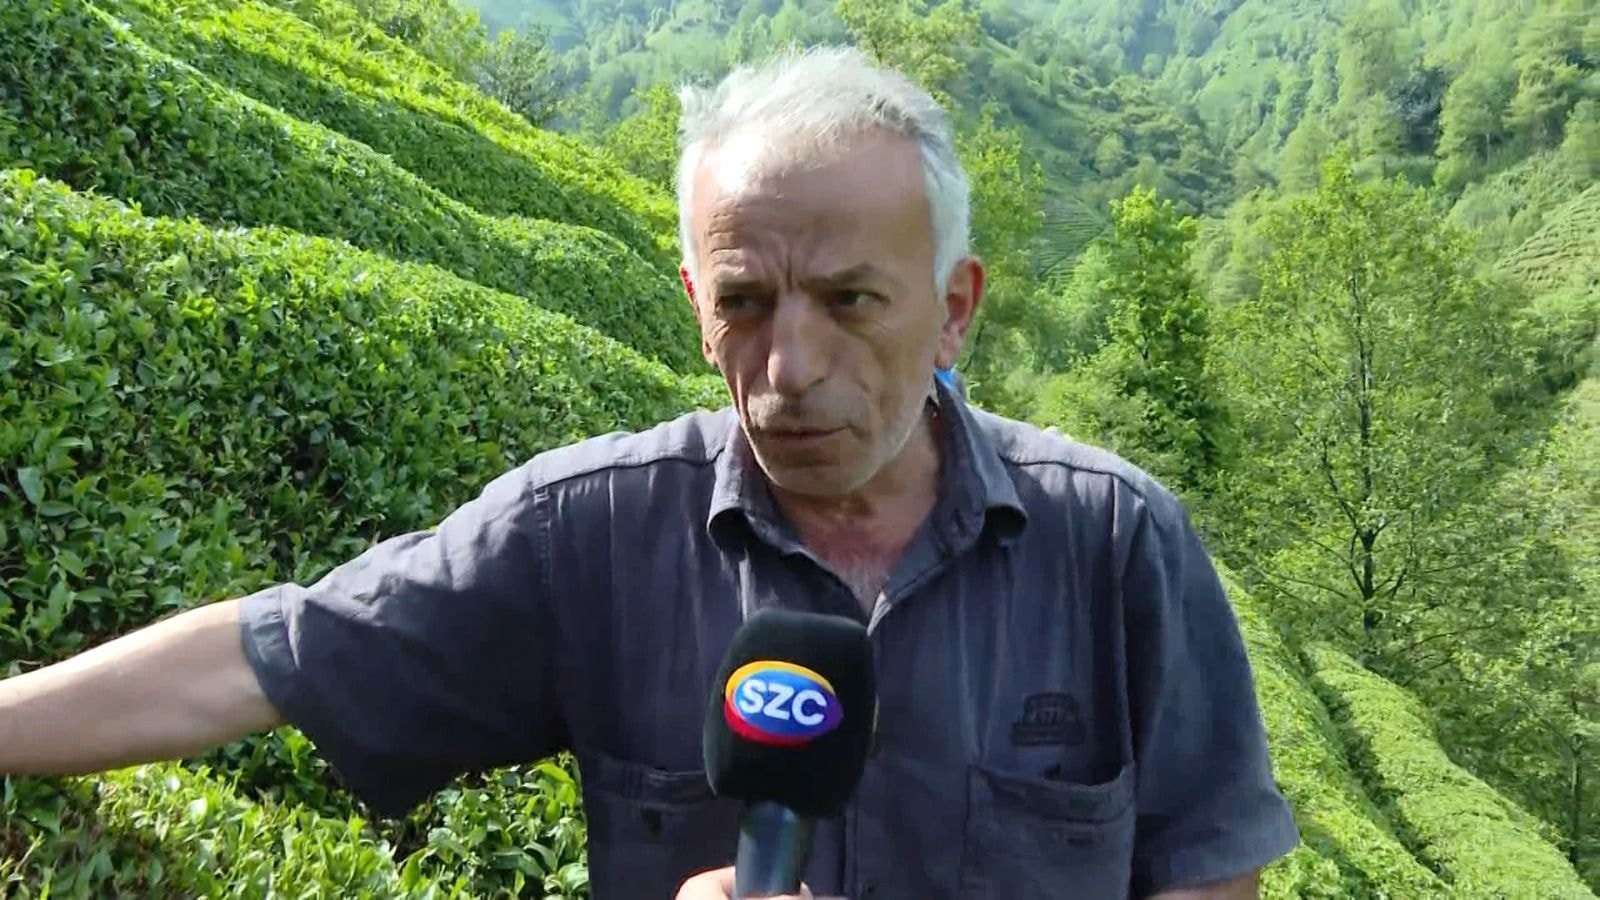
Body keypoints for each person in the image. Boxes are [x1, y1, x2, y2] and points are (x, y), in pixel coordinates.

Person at [0, 45, 1299, 899]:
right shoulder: (594, 535)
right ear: (693, 303)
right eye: (745, 303)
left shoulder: (1116, 545)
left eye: (852, 300)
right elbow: (270, 656)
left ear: (954, 309)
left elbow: (1207, 868)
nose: (790, 366)